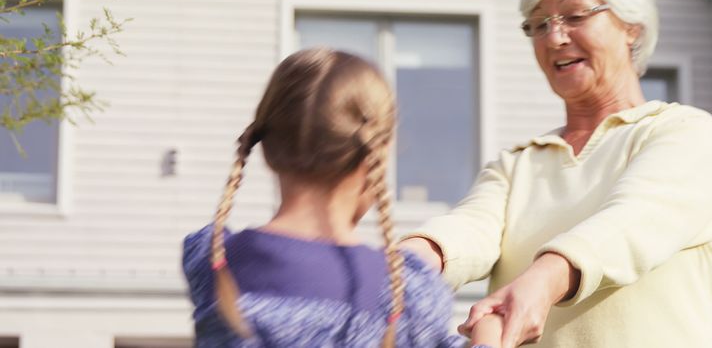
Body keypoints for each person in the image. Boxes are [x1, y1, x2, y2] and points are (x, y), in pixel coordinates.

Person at [401, 0, 712, 347]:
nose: (554, 38)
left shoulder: (684, 132)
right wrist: (406, 264)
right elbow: (470, 229)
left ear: (632, 26)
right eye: (537, 24)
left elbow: (631, 222)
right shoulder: (516, 166)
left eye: (574, 16)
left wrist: (545, 281)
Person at [181, 48, 503, 347]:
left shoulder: (211, 263)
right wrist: (490, 329)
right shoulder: (409, 296)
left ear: (265, 147)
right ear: (375, 159)